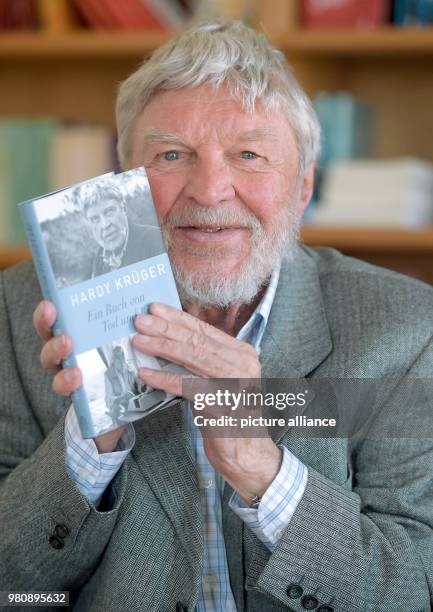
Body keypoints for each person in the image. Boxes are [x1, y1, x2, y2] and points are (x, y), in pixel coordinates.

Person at [1, 20, 432, 612]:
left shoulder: (407, 328)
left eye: (249, 154)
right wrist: (89, 439)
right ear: (124, 178)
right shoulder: (23, 308)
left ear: (303, 186)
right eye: (172, 154)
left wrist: (262, 467)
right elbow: (18, 594)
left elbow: (412, 588)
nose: (210, 190)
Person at [83, 180, 164, 277]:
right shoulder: (99, 259)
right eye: (95, 219)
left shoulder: (156, 239)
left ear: (124, 208)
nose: (105, 225)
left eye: (109, 212)